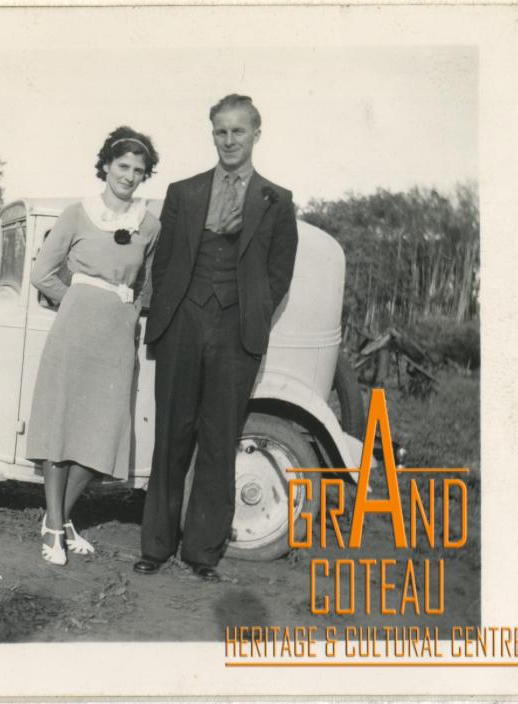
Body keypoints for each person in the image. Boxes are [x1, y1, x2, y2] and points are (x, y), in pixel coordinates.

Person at [134, 94, 298, 581]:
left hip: (236, 335)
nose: (229, 140)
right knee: (170, 437)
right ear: (213, 135)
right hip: (183, 325)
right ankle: (156, 547)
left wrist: (249, 317)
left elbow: (278, 276)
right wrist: (170, 316)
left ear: (256, 134)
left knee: (219, 441)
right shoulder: (183, 192)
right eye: (221, 132)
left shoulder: (277, 200)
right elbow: (162, 266)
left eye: (238, 131)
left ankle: (202, 554)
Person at [26, 126, 161, 566]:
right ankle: (52, 527)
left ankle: (59, 518)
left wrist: (125, 311)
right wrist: (79, 302)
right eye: (122, 166)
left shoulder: (150, 225)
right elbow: (42, 273)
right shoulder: (77, 214)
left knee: (101, 435)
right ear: (105, 166)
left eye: (138, 170)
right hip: (75, 332)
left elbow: (147, 285)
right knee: (63, 426)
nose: (129, 176)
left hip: (117, 338)